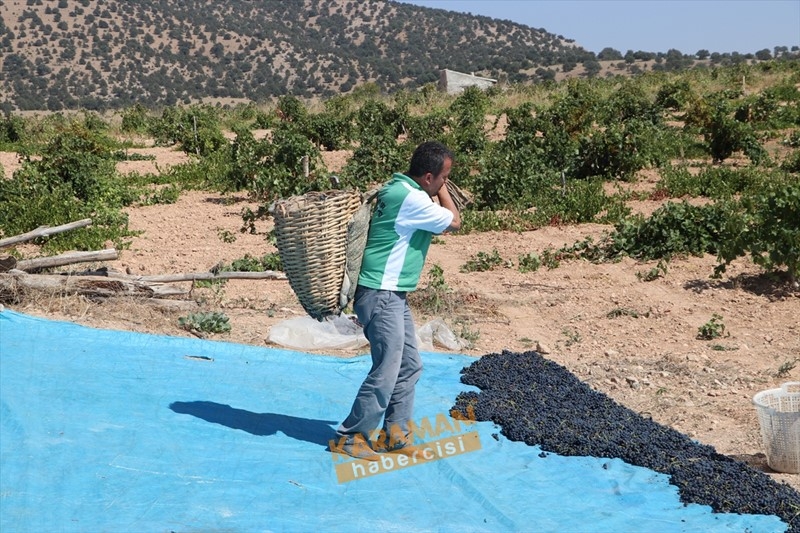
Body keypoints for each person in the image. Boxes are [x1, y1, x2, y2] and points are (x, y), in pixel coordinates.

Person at [330, 141, 461, 461]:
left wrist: (436, 185)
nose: (446, 184)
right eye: (445, 177)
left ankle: (396, 435)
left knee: (408, 365)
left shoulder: (395, 187)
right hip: (381, 292)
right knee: (388, 366)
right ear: (428, 177)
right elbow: (454, 222)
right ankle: (352, 436)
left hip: (390, 293)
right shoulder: (414, 198)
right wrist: (441, 192)